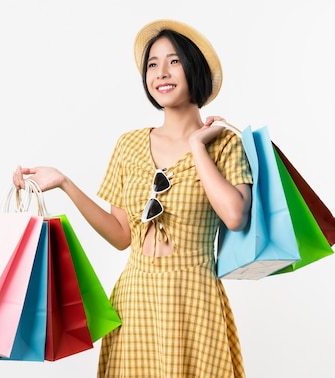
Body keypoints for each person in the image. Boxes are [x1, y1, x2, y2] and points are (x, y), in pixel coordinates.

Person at [13, 19, 252, 378]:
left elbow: (235, 217)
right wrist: (64, 182)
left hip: (194, 298)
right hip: (135, 296)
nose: (161, 73)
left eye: (174, 61)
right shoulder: (129, 145)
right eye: (152, 65)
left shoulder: (226, 145)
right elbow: (122, 235)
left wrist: (197, 147)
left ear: (194, 68)